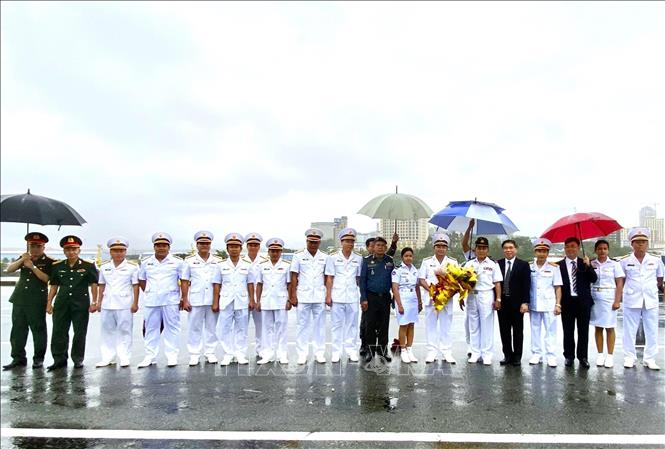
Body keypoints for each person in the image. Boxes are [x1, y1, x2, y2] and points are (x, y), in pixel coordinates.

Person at [3, 232, 55, 371]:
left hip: (36, 300)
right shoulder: (24, 257)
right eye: (32, 246)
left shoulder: (50, 261)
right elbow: (9, 269)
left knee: (38, 330)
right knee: (18, 330)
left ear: (43, 247)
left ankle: (38, 359)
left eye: (38, 246)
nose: (35, 249)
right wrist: (22, 260)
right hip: (20, 299)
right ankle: (18, 358)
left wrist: (32, 266)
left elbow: (47, 279)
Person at [46, 235, 99, 371]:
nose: (71, 252)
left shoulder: (88, 265)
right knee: (59, 332)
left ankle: (77, 359)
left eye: (74, 249)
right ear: (64, 251)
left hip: (80, 303)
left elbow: (94, 284)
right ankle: (59, 360)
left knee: (79, 332)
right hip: (62, 303)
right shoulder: (57, 266)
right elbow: (54, 286)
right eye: (68, 249)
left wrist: (94, 301)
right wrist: (49, 303)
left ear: (79, 250)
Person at [137, 232, 189, 368]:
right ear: (154, 247)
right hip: (151, 300)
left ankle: (172, 356)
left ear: (169, 247)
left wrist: (184, 298)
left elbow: (183, 281)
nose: (161, 248)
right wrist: (151, 292)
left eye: (164, 245)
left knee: (172, 328)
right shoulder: (146, 263)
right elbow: (142, 281)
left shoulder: (177, 262)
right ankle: (150, 356)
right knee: (150, 328)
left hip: (170, 300)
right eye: (158, 245)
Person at [620, 228, 664, 370]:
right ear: (632, 244)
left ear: (647, 244)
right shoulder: (625, 261)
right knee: (629, 329)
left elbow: (660, 279)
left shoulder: (656, 261)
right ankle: (629, 357)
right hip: (632, 298)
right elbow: (621, 280)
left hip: (650, 299)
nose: (640, 245)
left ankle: (649, 358)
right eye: (637, 242)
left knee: (651, 329)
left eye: (643, 242)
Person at [95, 237, 139, 368]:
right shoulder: (104, 267)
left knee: (124, 330)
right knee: (107, 331)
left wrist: (135, 302)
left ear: (125, 252)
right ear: (110, 252)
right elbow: (101, 285)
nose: (118, 253)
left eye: (121, 251)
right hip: (107, 303)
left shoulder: (132, 267)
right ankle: (108, 357)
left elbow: (135, 285)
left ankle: (124, 356)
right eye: (115, 251)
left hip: (124, 303)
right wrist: (98, 302)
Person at [213, 233, 255, 366]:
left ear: (241, 248)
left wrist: (252, 300)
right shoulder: (220, 265)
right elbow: (216, 284)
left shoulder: (247, 265)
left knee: (241, 328)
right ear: (227, 249)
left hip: (242, 300)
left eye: (236, 246)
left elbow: (250, 283)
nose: (234, 249)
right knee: (224, 328)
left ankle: (240, 353)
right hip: (226, 301)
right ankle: (228, 353)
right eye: (231, 246)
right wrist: (215, 301)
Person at [418, 233, 459, 364]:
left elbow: (457, 282)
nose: (441, 248)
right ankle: (431, 352)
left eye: (443, 246)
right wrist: (432, 290)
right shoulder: (427, 261)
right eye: (438, 246)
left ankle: (447, 352)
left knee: (446, 326)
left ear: (447, 248)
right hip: (431, 299)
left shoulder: (452, 262)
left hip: (446, 300)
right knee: (430, 325)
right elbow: (421, 279)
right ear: (434, 247)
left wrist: (447, 295)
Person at [557, 237, 597, 368]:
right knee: (568, 331)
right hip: (567, 302)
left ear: (578, 248)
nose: (570, 249)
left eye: (573, 246)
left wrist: (588, 265)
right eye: (567, 246)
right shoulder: (558, 265)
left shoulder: (584, 262)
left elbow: (593, 279)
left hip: (583, 302)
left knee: (583, 331)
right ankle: (569, 356)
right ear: (564, 248)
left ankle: (583, 357)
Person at [290, 228, 328, 364]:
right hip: (303, 295)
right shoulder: (298, 256)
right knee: (302, 325)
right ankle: (302, 353)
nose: (313, 245)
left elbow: (326, 276)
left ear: (319, 243)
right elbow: (294, 276)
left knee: (320, 325)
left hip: (319, 295)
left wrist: (327, 293)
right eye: (311, 242)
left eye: (316, 242)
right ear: (306, 241)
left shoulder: (324, 257)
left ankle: (319, 353)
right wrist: (292, 295)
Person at [183, 231, 222, 366]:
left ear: (210, 244)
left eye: (207, 243)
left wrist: (218, 300)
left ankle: (210, 352)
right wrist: (185, 299)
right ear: (197, 245)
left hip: (213, 299)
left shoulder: (217, 261)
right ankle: (194, 354)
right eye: (201, 243)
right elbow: (184, 281)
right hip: (196, 299)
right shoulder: (189, 261)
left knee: (211, 327)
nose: (204, 245)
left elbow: (220, 282)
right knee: (194, 327)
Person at [325, 227, 363, 363]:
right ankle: (336, 352)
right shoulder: (333, 257)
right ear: (341, 242)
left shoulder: (358, 258)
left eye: (352, 241)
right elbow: (329, 277)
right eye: (347, 241)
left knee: (352, 324)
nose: (350, 244)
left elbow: (359, 279)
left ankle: (351, 350)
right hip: (338, 295)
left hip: (352, 295)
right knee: (336, 325)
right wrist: (328, 296)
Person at [463, 236, 502, 365]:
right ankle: (475, 353)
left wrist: (498, 299)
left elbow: (497, 283)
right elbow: (463, 283)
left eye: (484, 248)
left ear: (487, 250)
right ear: (475, 249)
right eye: (479, 248)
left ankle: (486, 354)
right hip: (472, 295)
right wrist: (462, 296)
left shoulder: (492, 264)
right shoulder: (469, 264)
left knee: (486, 325)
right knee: (473, 325)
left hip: (486, 295)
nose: (481, 250)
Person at [361, 233, 399, 358]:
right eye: (378, 245)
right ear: (374, 246)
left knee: (384, 324)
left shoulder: (389, 260)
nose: (380, 247)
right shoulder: (366, 261)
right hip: (371, 298)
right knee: (370, 325)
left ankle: (383, 350)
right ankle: (370, 351)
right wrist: (363, 298)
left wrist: (394, 296)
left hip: (385, 297)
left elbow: (394, 280)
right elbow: (363, 281)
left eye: (383, 245)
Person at [589, 239, 625, 368]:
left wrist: (617, 300)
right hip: (595, 296)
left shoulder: (615, 264)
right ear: (595, 250)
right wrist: (587, 265)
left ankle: (610, 356)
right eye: (599, 248)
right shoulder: (591, 263)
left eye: (604, 248)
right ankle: (600, 354)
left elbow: (619, 283)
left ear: (608, 250)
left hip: (609, 297)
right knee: (598, 327)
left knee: (610, 327)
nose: (602, 251)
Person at [256, 238, 291, 365]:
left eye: (277, 251)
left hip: (281, 300)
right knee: (266, 328)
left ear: (281, 252)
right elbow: (259, 284)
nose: (275, 253)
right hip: (266, 301)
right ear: (268, 252)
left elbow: (289, 284)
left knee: (281, 328)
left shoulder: (286, 266)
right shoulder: (262, 266)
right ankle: (267, 354)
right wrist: (258, 300)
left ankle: (282, 354)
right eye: (272, 251)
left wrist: (289, 300)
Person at [528, 238, 562, 367]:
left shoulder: (554, 268)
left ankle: (551, 355)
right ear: (535, 252)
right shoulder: (530, 266)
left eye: (544, 251)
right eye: (539, 251)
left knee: (550, 330)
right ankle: (536, 354)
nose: (541, 253)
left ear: (547, 253)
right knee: (535, 330)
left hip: (549, 304)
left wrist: (558, 304)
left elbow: (558, 287)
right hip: (534, 303)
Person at [496, 239, 531, 366]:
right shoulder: (498, 264)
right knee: (504, 330)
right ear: (503, 250)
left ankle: (517, 356)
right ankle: (507, 355)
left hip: (517, 303)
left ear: (516, 249)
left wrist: (525, 302)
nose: (508, 250)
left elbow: (527, 285)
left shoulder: (523, 265)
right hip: (502, 302)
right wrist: (497, 299)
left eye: (511, 247)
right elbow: (496, 283)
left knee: (517, 331)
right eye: (505, 248)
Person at [392, 247, 422, 363]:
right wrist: (399, 305)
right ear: (402, 257)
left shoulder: (415, 270)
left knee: (411, 325)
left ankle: (410, 349)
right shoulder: (397, 270)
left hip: (413, 299)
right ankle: (403, 349)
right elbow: (395, 288)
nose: (409, 258)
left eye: (410, 256)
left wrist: (420, 302)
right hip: (402, 298)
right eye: (406, 256)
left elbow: (417, 287)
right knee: (403, 325)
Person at [244, 232, 265, 358]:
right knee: (241, 326)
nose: (253, 247)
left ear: (259, 246)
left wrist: (260, 299)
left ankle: (260, 350)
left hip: (260, 298)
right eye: (251, 245)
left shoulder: (264, 261)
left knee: (261, 326)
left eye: (255, 245)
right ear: (247, 246)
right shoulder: (241, 261)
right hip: (243, 298)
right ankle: (239, 351)